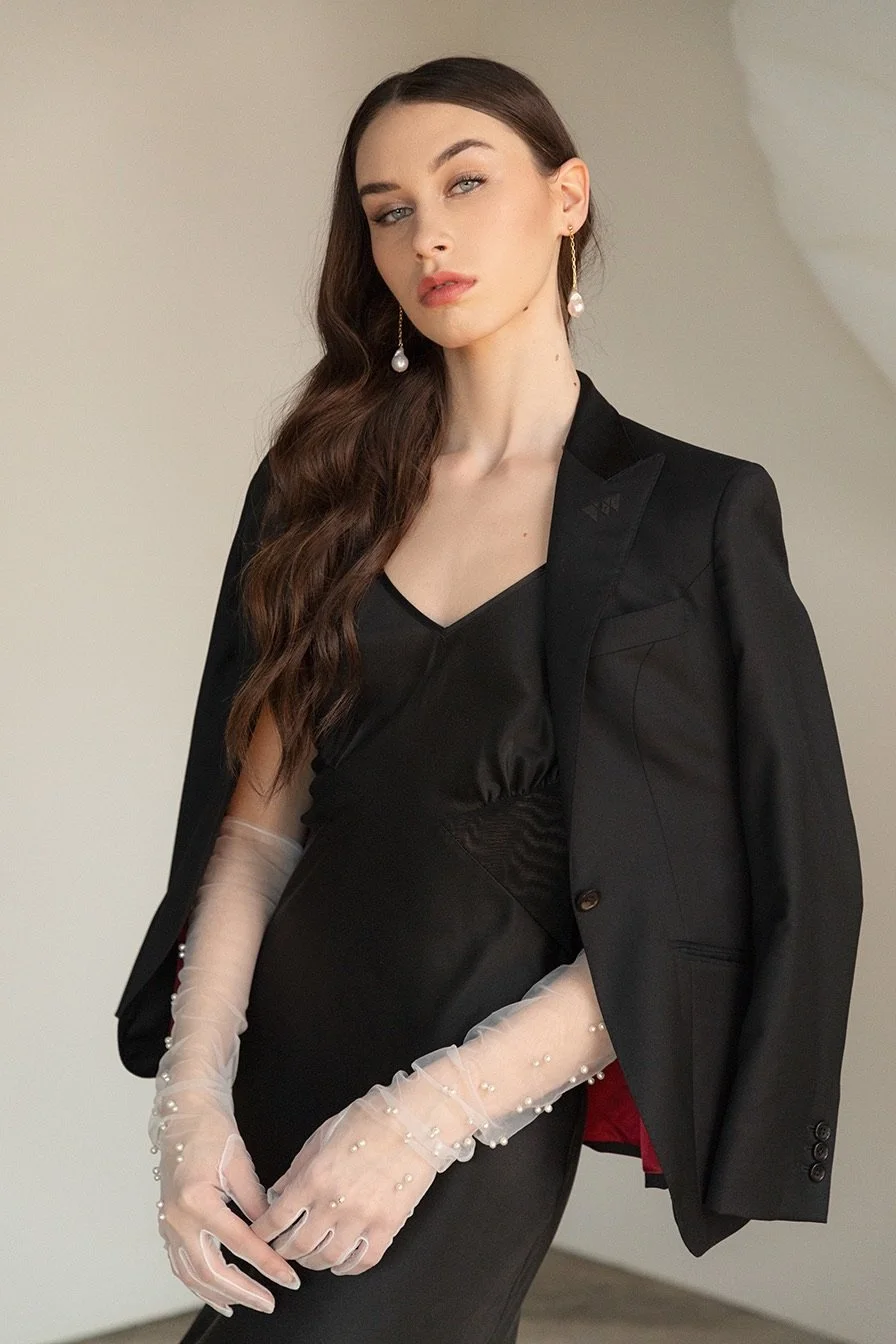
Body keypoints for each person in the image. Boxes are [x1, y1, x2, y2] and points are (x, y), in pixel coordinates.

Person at [115, 54, 863, 1344]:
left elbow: (704, 891)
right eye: (389, 209)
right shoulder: (317, 486)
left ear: (568, 197)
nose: (428, 235)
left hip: (481, 1092)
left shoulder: (694, 514)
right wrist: (189, 1111)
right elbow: (255, 832)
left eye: (466, 183)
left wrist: (421, 1122)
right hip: (280, 1047)